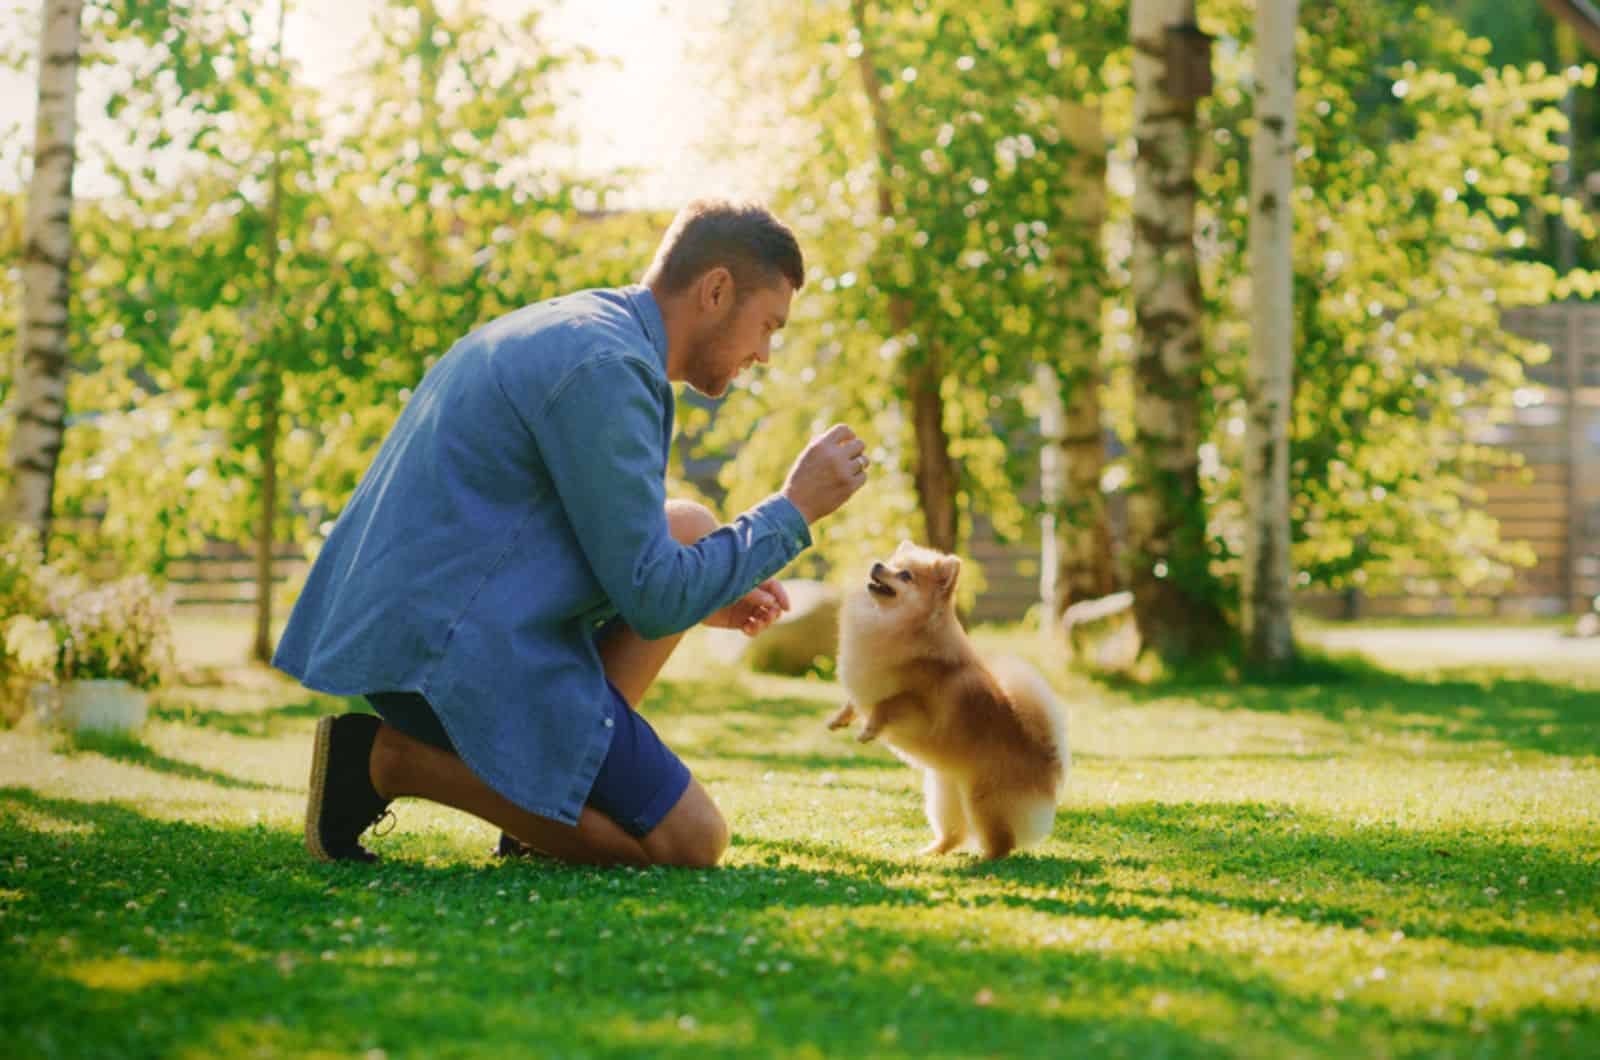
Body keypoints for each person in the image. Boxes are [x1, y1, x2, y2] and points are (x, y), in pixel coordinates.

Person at [274, 199, 868, 868]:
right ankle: (386, 760)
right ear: (716, 290)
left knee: (690, 525)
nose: (763, 354)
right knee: (690, 843)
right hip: (443, 658)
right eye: (767, 327)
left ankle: (537, 809)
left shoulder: (587, 329)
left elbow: (625, 547)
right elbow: (651, 596)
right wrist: (793, 509)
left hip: (429, 623)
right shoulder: (607, 370)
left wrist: (711, 586)